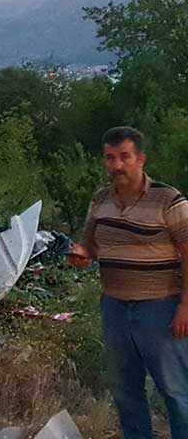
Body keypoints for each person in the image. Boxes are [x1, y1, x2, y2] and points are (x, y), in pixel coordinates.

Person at [69, 126, 188, 438]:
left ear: (141, 159)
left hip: (160, 307)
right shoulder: (100, 200)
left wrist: (185, 306)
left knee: (175, 391)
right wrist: (83, 253)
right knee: (125, 391)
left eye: (124, 157)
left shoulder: (168, 200)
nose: (117, 165)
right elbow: (92, 245)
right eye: (110, 158)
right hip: (115, 308)